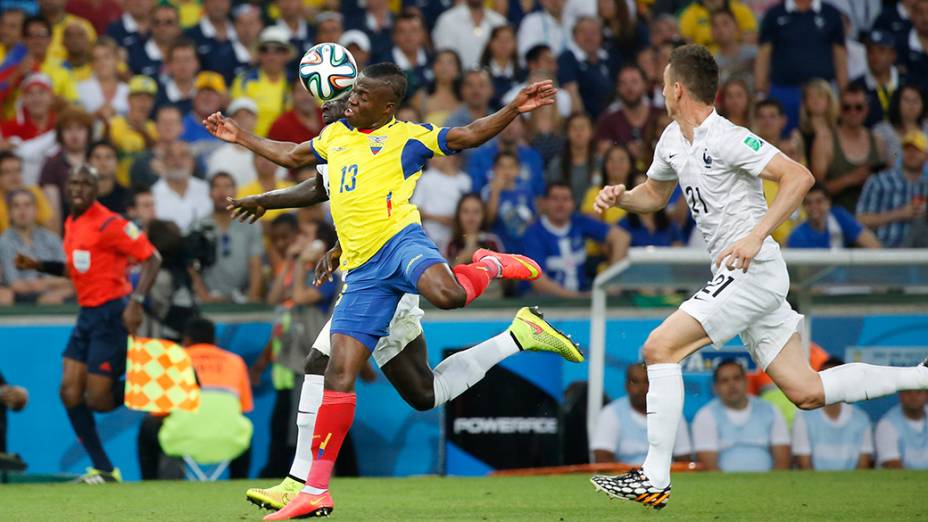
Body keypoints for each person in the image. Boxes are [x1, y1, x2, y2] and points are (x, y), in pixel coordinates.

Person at [209, 63, 581, 519]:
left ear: (387, 106)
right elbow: (295, 160)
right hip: (363, 273)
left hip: (401, 244)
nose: (352, 100)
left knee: (445, 297)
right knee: (356, 378)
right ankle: (314, 490)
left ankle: (487, 264)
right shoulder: (336, 137)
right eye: (353, 93)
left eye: (362, 96)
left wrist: (513, 108)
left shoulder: (408, 137)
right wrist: (239, 136)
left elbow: (467, 135)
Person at [590, 44, 928, 510]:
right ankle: (921, 375)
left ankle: (653, 477)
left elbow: (799, 176)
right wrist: (621, 197)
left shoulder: (728, 137)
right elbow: (654, 194)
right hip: (740, 276)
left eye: (664, 82)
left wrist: (754, 236)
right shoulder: (670, 139)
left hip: (753, 268)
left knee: (659, 348)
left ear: (678, 88)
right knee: (806, 391)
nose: (661, 90)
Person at [16, 164, 161, 484]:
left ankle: (153, 384)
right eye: (73, 183)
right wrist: (39, 265)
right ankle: (105, 470)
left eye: (85, 183)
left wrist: (136, 303)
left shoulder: (111, 223)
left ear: (96, 190)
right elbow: (77, 268)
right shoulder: (72, 221)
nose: (78, 188)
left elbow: (152, 258)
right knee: (69, 392)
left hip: (112, 315)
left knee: (98, 400)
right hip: (87, 316)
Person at [137, 316, 253, 479]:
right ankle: (239, 481)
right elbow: (244, 408)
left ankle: (149, 484)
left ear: (186, 340)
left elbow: (158, 413)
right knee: (244, 428)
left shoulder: (172, 361)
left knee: (147, 425)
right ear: (215, 340)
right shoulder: (236, 362)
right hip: (229, 442)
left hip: (181, 440)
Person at [523, 182, 628, 298]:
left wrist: (612, 282)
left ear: (573, 204)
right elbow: (538, 282)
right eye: (555, 198)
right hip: (544, 302)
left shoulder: (578, 221)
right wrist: (578, 297)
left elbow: (621, 237)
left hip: (582, 293)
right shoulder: (533, 233)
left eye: (566, 199)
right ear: (544, 203)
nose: (560, 204)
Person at [754, 0, 847, 131]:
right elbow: (764, 53)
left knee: (824, 136)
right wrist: (760, 91)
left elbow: (840, 54)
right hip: (783, 89)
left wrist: (843, 92)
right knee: (782, 138)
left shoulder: (831, 13)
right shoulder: (774, 14)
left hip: (822, 91)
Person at [691, 359, 791, 472]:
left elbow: (782, 462)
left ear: (746, 382)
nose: (731, 384)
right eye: (724, 380)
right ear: (715, 388)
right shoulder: (705, 415)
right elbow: (709, 467)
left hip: (769, 485)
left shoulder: (770, 411)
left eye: (737, 378)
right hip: (724, 486)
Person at [591, 363, 692, 465]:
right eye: (635, 382)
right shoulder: (611, 413)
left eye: (647, 381)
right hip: (625, 478)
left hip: (666, 478)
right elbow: (602, 459)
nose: (642, 388)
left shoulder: (672, 413)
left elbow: (684, 460)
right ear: (626, 386)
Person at [189, 172, 263, 303]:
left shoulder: (251, 224)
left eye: (227, 186)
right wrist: (205, 297)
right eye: (217, 187)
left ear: (236, 191)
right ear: (210, 193)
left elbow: (255, 264)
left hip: (243, 296)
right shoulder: (198, 226)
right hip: (208, 299)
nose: (222, 192)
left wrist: (252, 298)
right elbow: (191, 266)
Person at [811, 84, 885, 213]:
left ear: (866, 109)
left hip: (874, 216)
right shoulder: (825, 140)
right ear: (839, 109)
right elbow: (815, 190)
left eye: (858, 107)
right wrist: (850, 179)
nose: (853, 112)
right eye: (847, 108)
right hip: (835, 218)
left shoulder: (877, 141)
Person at [792, 357, 874, 470]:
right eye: (825, 379)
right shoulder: (804, 416)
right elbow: (804, 465)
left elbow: (863, 464)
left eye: (836, 378)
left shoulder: (861, 419)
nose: (830, 384)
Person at [856, 130, 928, 248]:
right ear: (901, 152)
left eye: (917, 150)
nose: (911, 154)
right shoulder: (879, 181)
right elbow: (860, 221)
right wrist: (899, 213)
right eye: (907, 149)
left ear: (926, 156)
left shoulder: (926, 186)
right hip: (883, 255)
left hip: (921, 258)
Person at [0, 190, 72, 304]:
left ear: (36, 210)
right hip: (21, 298)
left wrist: (44, 283)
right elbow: (15, 284)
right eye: (16, 206)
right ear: (9, 213)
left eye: (27, 205)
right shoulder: (4, 241)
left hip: (53, 293)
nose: (22, 210)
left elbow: (67, 275)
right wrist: (49, 284)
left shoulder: (51, 238)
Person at [594, 65, 664, 172]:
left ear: (645, 84)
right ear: (617, 88)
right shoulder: (608, 119)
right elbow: (602, 150)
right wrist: (625, 149)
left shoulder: (660, 115)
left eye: (634, 82)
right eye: (623, 83)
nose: (629, 88)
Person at [231, 27, 292, 138]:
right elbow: (239, 118)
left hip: (289, 145)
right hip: (254, 145)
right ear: (259, 54)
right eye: (265, 50)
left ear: (287, 55)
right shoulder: (244, 81)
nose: (271, 57)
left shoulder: (296, 83)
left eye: (278, 50)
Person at [39, 108, 93, 225]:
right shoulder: (52, 165)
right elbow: (52, 209)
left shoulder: (97, 158)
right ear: (60, 134)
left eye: (80, 128)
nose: (74, 134)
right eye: (68, 129)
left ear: (88, 132)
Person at [557, 16, 618, 119]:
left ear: (601, 36)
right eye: (583, 32)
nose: (589, 37)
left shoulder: (609, 58)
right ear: (574, 35)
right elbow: (572, 94)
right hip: (587, 120)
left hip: (611, 117)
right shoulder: (567, 58)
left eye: (594, 32)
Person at [788, 183, 881, 249]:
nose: (814, 207)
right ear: (803, 206)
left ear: (828, 202)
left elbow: (873, 245)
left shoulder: (839, 216)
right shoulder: (798, 235)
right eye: (808, 203)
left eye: (819, 201)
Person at [411, 155, 471, 254]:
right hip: (428, 236)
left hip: (455, 238)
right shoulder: (426, 178)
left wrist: (457, 220)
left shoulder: (465, 180)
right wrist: (440, 219)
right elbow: (415, 209)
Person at [482, 151, 537, 253]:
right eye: (502, 167)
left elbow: (533, 218)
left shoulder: (526, 190)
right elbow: (488, 221)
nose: (506, 171)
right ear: (494, 169)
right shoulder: (488, 192)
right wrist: (495, 192)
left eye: (511, 167)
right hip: (501, 249)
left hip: (524, 247)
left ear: (518, 169)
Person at [151, 141, 212, 233]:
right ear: (163, 162)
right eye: (171, 156)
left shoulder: (207, 190)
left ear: (192, 162)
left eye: (183, 156)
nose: (178, 161)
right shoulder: (152, 195)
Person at [430, 0, 506, 70]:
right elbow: (444, 57)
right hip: (457, 81)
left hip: (492, 81)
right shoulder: (447, 21)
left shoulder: (499, 22)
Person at [545, 113, 598, 207]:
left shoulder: (601, 163)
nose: (578, 132)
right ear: (567, 133)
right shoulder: (557, 165)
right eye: (574, 128)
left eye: (582, 128)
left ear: (591, 132)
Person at [851, 31, 902, 128]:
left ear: (893, 55)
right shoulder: (856, 86)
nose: (875, 56)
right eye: (871, 52)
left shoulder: (906, 83)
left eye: (881, 51)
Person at [206, 98, 259, 187]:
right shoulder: (218, 156)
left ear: (256, 120)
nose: (242, 119)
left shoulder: (268, 154)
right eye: (237, 116)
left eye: (247, 115)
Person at [872, 84, 928, 169]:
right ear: (897, 102)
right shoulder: (881, 131)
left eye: (916, 100)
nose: (911, 104)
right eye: (907, 100)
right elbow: (880, 165)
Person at [445, 193, 505, 270]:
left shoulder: (492, 242)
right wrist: (460, 260)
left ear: (483, 215)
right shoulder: (450, 244)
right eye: (465, 211)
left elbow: (504, 274)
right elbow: (445, 277)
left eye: (476, 211)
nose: (471, 216)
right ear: (458, 214)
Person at [0, 151, 55, 234]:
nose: (14, 177)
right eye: (7, 172)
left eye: (17, 171)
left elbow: (50, 227)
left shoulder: (34, 192)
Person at [184, 0, 237, 84]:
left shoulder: (239, 31)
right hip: (203, 92)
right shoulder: (190, 36)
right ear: (204, 3)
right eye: (212, 0)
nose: (217, 4)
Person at [76, 37, 129, 120]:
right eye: (96, 59)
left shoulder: (128, 91)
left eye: (106, 57)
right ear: (91, 64)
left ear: (117, 59)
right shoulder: (79, 89)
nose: (102, 62)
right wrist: (94, 115)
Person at [875, 390, 928, 469]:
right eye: (908, 392)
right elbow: (893, 467)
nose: (913, 397)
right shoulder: (887, 423)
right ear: (900, 394)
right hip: (898, 480)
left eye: (919, 392)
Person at [126, 4, 181, 78]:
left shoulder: (189, 53)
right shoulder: (136, 54)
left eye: (169, 22)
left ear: (178, 26)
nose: (162, 27)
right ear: (150, 25)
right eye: (157, 22)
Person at [679, 0, 757, 50]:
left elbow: (751, 38)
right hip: (705, 64)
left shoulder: (740, 9)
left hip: (738, 59)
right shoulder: (690, 13)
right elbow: (686, 45)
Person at [266, 79, 324, 146]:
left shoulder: (329, 115)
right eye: (300, 91)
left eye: (310, 91)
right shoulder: (281, 125)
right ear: (291, 95)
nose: (306, 96)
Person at [711, 9, 757, 90]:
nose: (720, 29)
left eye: (725, 23)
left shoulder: (754, 54)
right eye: (715, 25)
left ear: (736, 26)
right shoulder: (712, 64)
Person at [480, 25, 523, 109]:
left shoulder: (523, 74)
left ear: (515, 43)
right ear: (490, 43)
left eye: (508, 40)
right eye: (499, 40)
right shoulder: (480, 74)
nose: (503, 44)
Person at [154, 38, 200, 115]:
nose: (183, 65)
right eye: (177, 60)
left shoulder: (206, 95)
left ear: (196, 63)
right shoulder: (159, 97)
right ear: (169, 65)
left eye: (187, 60)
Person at [86, 141, 128, 216]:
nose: (103, 162)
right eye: (97, 157)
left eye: (108, 157)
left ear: (117, 162)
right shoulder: (80, 198)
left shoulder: (127, 197)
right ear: (88, 162)